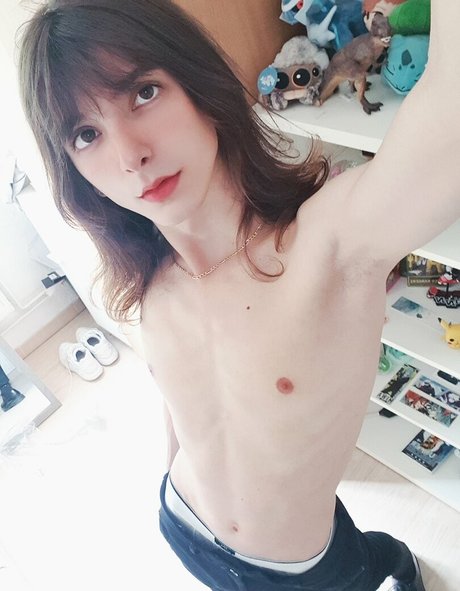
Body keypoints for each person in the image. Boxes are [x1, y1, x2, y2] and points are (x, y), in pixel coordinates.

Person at [17, 1, 460, 589]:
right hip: (179, 522)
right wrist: (172, 466)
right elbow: (182, 399)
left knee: (370, 560)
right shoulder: (151, 279)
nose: (129, 157)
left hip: (301, 570)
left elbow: (451, 107)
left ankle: (403, 565)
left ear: (198, 83)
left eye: (144, 93)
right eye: (86, 134)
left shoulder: (329, 244)